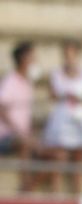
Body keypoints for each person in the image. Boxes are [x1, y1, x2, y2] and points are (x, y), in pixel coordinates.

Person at [37, 40, 82, 194]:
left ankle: (78, 192)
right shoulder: (56, 73)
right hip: (61, 118)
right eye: (66, 53)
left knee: (78, 157)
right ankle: (55, 192)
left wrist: (77, 97)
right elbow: (52, 95)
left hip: (80, 119)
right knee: (59, 156)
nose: (69, 57)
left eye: (72, 53)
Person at [0, 42, 35, 176]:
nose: (34, 61)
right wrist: (19, 131)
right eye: (32, 57)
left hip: (21, 134)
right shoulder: (10, 81)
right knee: (25, 144)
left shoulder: (27, 82)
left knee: (53, 152)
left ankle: (31, 187)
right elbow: (2, 109)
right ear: (23, 59)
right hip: (5, 136)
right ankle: (25, 191)